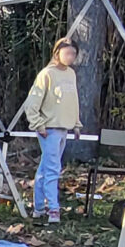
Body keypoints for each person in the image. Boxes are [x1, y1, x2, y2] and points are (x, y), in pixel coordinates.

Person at [17, 39, 84, 223]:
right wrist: (38, 124)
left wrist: (76, 124)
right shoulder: (46, 74)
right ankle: (53, 209)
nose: (70, 57)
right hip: (49, 129)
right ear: (57, 53)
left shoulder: (71, 74)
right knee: (53, 168)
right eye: (67, 53)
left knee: (45, 168)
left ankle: (38, 207)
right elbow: (32, 102)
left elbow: (73, 101)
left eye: (73, 54)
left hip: (64, 128)